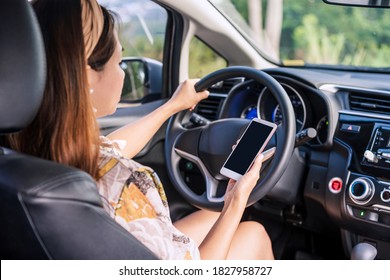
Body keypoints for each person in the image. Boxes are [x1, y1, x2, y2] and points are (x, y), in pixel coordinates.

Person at [2, 0, 273, 260]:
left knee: (212, 215)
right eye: (119, 62)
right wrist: (236, 200)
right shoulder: (123, 184)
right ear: (86, 75)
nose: (122, 74)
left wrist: (172, 106)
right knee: (254, 233)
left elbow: (108, 150)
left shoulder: (18, 154)